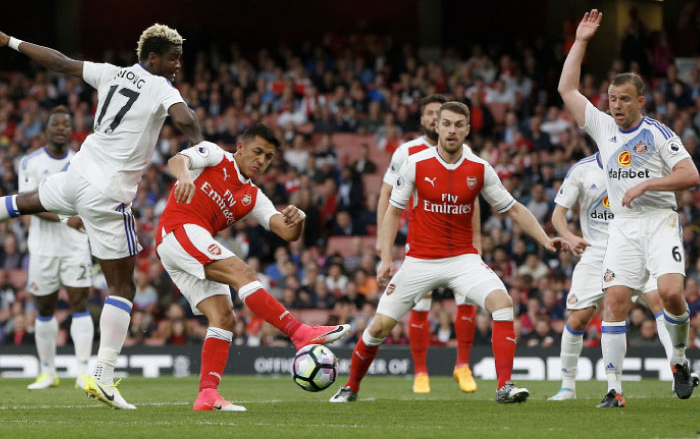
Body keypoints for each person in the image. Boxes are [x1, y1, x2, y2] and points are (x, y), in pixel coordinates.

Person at [0, 24, 204, 409]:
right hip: (108, 194)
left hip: (75, 175)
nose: (177, 65)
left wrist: (10, 41)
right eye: (172, 58)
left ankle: (98, 374)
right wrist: (203, 148)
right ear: (153, 57)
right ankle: (102, 376)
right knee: (123, 289)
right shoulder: (161, 86)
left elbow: (60, 63)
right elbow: (184, 118)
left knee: (20, 203)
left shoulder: (110, 72)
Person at [330, 101, 568, 404]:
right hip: (419, 261)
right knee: (378, 327)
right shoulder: (416, 163)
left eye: (459, 125)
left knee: (503, 302)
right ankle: (351, 386)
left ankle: (504, 386)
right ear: (436, 126)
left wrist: (545, 239)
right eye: (447, 124)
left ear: (467, 129)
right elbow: (393, 212)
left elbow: (513, 208)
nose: (452, 130)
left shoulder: (479, 168)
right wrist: (386, 259)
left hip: (462, 260)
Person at [558, 9, 700, 407]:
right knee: (615, 300)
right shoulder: (603, 126)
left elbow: (691, 175)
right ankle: (614, 389)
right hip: (623, 226)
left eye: (624, 100)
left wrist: (650, 183)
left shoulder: (657, 134)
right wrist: (582, 41)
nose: (616, 106)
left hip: (659, 222)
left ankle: (680, 360)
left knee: (672, 295)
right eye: (612, 99)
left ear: (641, 101)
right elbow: (567, 89)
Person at [157, 124, 349, 412]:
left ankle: (207, 395)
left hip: (189, 244)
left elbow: (285, 231)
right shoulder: (215, 154)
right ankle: (299, 332)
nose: (261, 160)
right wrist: (184, 177)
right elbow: (177, 160)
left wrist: (297, 223)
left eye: (269, 157)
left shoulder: (252, 196)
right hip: (179, 229)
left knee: (224, 317)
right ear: (241, 146)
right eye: (258, 151)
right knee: (244, 273)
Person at [548, 152, 676, 401]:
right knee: (578, 318)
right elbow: (557, 215)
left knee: (660, 301)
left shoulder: (642, 165)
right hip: (596, 252)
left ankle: (677, 374)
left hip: (637, 248)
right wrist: (571, 237)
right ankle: (567, 386)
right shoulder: (582, 170)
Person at [376, 94, 481, 394]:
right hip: (421, 240)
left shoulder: (465, 152)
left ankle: (462, 365)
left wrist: (478, 242)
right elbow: (388, 197)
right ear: (427, 121)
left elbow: (473, 203)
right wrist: (383, 243)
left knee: (466, 299)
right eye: (434, 115)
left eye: (446, 117)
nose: (441, 122)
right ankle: (420, 372)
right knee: (420, 305)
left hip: (459, 243)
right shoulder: (406, 153)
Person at [21, 106, 94, 391]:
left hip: (75, 246)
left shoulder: (82, 162)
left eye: (66, 124)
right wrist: (67, 218)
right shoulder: (30, 162)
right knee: (45, 308)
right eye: (56, 124)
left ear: (70, 130)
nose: (62, 128)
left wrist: (82, 217)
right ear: (47, 130)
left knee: (80, 304)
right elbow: (29, 203)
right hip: (42, 247)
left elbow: (89, 200)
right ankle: (47, 372)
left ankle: (84, 372)